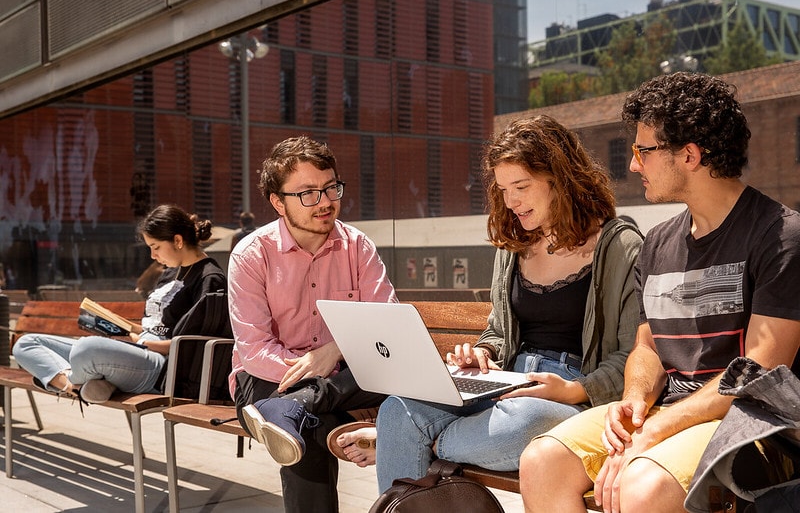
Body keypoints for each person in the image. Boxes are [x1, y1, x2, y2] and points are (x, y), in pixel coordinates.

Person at [519, 72, 800, 513]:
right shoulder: (657, 243)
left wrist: (657, 429)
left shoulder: (780, 235)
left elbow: (761, 372)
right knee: (542, 460)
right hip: (669, 411)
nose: (633, 165)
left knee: (642, 486)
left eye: (643, 151)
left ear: (689, 155)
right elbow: (647, 346)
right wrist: (633, 402)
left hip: (750, 424)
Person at [371, 115, 643, 492]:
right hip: (505, 384)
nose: (510, 201)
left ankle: (424, 445)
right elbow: (499, 331)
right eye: (502, 189)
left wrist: (574, 390)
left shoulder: (619, 246)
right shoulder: (515, 246)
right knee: (397, 410)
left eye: (521, 186)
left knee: (521, 425)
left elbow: (632, 353)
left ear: (559, 179)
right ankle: (409, 439)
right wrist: (482, 351)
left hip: (570, 394)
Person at [227, 135, 396, 513]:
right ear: (277, 202)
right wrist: (319, 371)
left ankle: (296, 409)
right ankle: (305, 414)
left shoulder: (358, 246)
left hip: (343, 375)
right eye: (307, 193)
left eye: (330, 188)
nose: (325, 202)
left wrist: (331, 352)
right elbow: (254, 350)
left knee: (418, 383)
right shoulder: (252, 255)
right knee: (309, 427)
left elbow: (386, 324)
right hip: (268, 380)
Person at [13, 204, 228, 403]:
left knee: (85, 349)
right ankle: (79, 386)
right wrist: (119, 325)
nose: (153, 255)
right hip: (136, 349)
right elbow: (155, 325)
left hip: (159, 366)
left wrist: (142, 343)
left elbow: (193, 346)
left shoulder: (209, 279)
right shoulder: (170, 273)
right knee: (27, 343)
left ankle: (83, 381)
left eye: (156, 247)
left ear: (178, 241)